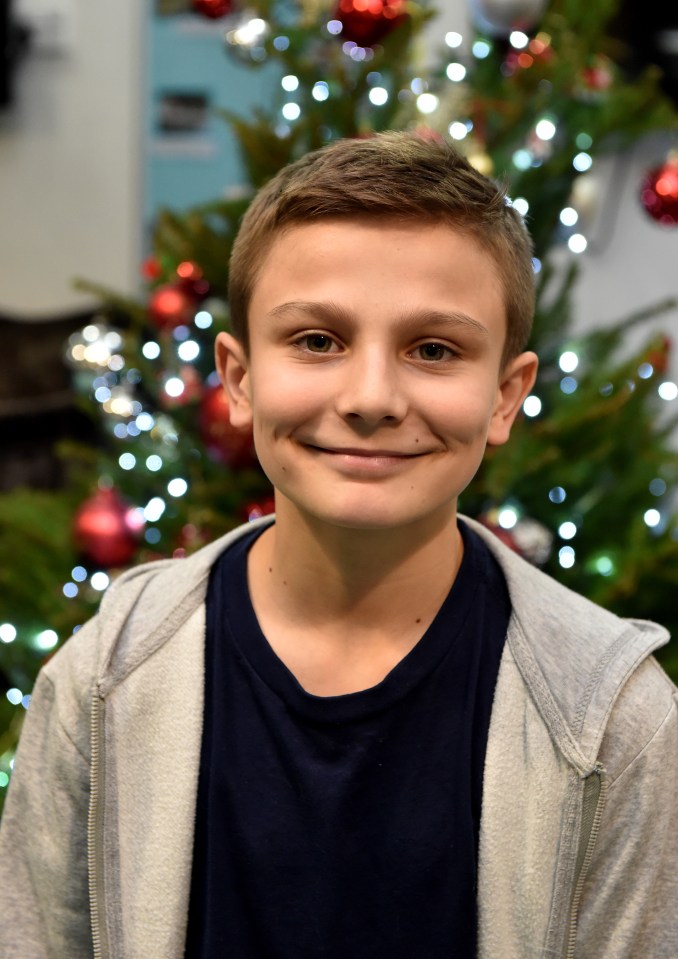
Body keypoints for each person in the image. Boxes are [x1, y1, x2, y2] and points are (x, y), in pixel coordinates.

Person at [0, 131, 676, 959]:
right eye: (318, 340)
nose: (370, 398)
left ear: (505, 397)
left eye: (434, 349)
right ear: (240, 379)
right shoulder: (102, 681)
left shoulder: (610, 721)